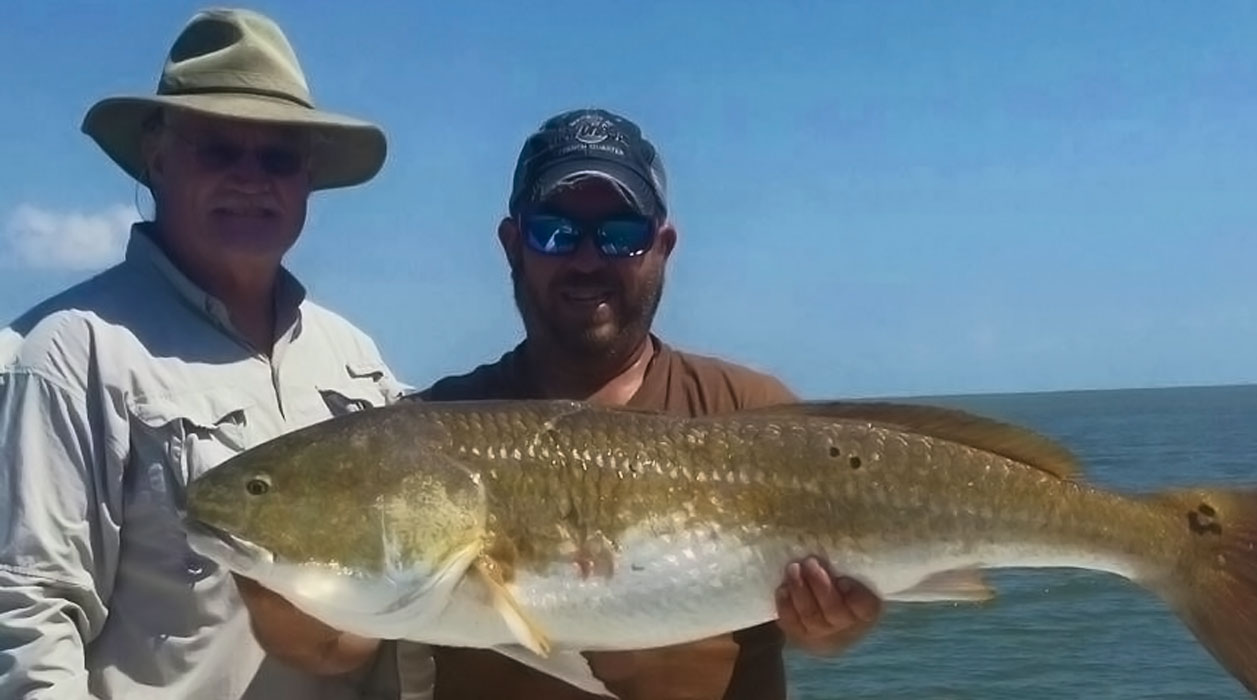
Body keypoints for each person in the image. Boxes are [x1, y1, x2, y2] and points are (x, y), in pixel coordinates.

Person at [0, 8, 405, 699]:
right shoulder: (70, 353)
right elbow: (29, 618)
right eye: (218, 149)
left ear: (306, 178)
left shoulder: (356, 360)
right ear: (157, 157)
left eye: (277, 156)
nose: (251, 177)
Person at [415, 108, 885, 699]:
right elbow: (341, 640)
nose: (587, 259)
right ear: (513, 244)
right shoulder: (429, 428)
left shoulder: (751, 411)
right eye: (555, 231)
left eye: (621, 233)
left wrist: (832, 626)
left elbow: (827, 634)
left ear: (662, 246)